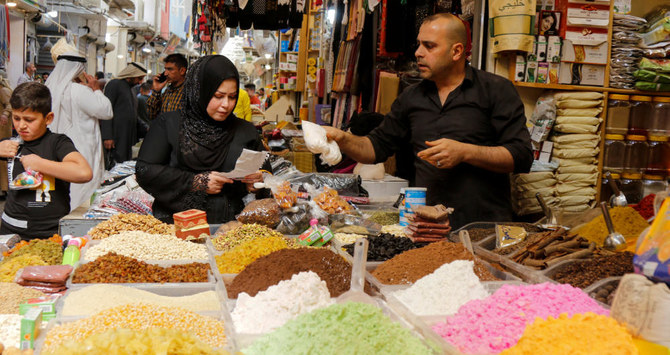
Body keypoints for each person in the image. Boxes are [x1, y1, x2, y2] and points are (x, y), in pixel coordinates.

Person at [324, 13, 533, 229]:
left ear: (457, 51)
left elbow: (522, 156)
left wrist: (465, 152)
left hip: (483, 228)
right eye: (419, 45)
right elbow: (375, 147)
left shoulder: (495, 90)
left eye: (429, 46)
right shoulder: (411, 97)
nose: (418, 53)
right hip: (427, 227)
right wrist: (343, 139)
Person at [136, 55, 267, 223]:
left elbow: (264, 171)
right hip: (177, 228)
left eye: (232, 97)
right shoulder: (169, 124)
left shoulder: (245, 130)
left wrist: (257, 182)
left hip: (231, 230)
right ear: (199, 92)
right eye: (218, 96)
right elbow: (145, 170)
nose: (226, 104)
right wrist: (196, 182)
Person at [0, 82, 92, 240]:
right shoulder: (11, 144)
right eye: (16, 118)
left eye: (29, 120)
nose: (21, 126)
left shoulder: (57, 143)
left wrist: (40, 164)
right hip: (11, 230)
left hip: (50, 233)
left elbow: (83, 172)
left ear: (48, 118)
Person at [45, 52, 113, 211]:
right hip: (81, 148)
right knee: (81, 192)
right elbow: (106, 111)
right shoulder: (79, 91)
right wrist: (96, 90)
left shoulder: (48, 89)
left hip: (58, 150)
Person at [101, 62, 146, 166]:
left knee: (125, 164)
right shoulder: (114, 84)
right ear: (132, 75)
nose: (140, 82)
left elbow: (133, 114)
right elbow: (106, 109)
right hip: (116, 135)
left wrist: (146, 128)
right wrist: (107, 136)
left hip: (128, 136)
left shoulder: (132, 90)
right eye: (139, 78)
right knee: (115, 164)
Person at [147, 54, 188, 121]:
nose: (165, 73)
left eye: (170, 69)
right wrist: (156, 91)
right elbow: (150, 115)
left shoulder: (189, 91)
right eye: (165, 69)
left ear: (182, 71)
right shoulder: (167, 91)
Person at [0, 70, 13, 198]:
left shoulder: (3, 91)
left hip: (2, 128)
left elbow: (9, 105)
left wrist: (4, 114)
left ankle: (4, 188)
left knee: (2, 159)